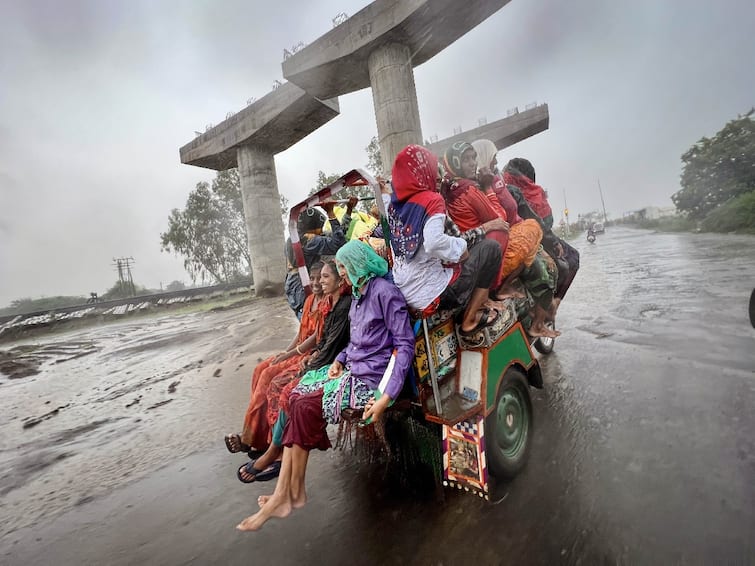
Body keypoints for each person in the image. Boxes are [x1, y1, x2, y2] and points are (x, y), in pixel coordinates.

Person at [235, 240, 414, 531]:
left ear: (360, 264)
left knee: (304, 404)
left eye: (343, 266)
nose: (342, 273)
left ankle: (286, 495)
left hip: (372, 378)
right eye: (340, 268)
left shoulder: (384, 292)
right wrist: (340, 360)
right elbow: (355, 342)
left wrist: (385, 396)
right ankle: (290, 492)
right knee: (293, 396)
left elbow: (404, 345)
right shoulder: (358, 293)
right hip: (351, 370)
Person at [237, 259, 352, 483]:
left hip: (324, 361)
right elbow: (321, 339)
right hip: (318, 358)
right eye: (316, 277)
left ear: (340, 280)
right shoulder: (321, 302)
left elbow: (327, 344)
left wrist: (307, 360)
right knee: (266, 373)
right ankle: (261, 440)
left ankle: (275, 450)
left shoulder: (343, 304)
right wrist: (295, 355)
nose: (319, 282)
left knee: (281, 387)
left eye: (325, 277)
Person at [387, 144, 504, 335]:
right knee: (490, 248)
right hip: (435, 294)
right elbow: (434, 243)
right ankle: (471, 317)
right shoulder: (431, 199)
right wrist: (460, 247)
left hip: (406, 293)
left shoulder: (394, 206)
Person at [225, 262, 327, 456]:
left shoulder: (326, 304)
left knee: (268, 376)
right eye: (312, 278)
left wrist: (290, 354)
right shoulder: (309, 301)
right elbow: (301, 333)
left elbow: (315, 339)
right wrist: (284, 353)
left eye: (319, 278)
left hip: (308, 355)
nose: (316, 282)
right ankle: (256, 435)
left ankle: (257, 440)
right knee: (259, 370)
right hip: (297, 350)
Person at [472, 139, 559, 338]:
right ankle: (538, 320)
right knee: (543, 273)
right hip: (510, 239)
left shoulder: (495, 179)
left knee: (552, 267)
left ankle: (537, 319)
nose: (495, 163)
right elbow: (497, 217)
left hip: (520, 233)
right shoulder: (481, 184)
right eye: (493, 158)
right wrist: (488, 187)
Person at [503, 158, 580, 313]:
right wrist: (551, 242)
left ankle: (547, 308)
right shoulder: (521, 192)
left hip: (528, 238)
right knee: (569, 261)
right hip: (531, 239)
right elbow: (540, 221)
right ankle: (549, 308)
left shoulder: (500, 186)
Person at [441, 141, 512, 296]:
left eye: (474, 158)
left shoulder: (450, 186)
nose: (473, 163)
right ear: (456, 164)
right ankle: (491, 291)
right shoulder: (468, 189)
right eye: (466, 160)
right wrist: (488, 187)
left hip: (465, 249)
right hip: (471, 250)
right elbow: (500, 217)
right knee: (502, 232)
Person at [284, 197, 357, 319]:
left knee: (310, 321)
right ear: (312, 226)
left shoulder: (295, 237)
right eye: (320, 227)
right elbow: (338, 243)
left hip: (293, 286)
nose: (321, 230)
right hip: (301, 287)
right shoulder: (309, 240)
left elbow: (339, 234)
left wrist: (349, 210)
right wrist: (330, 213)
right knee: (313, 321)